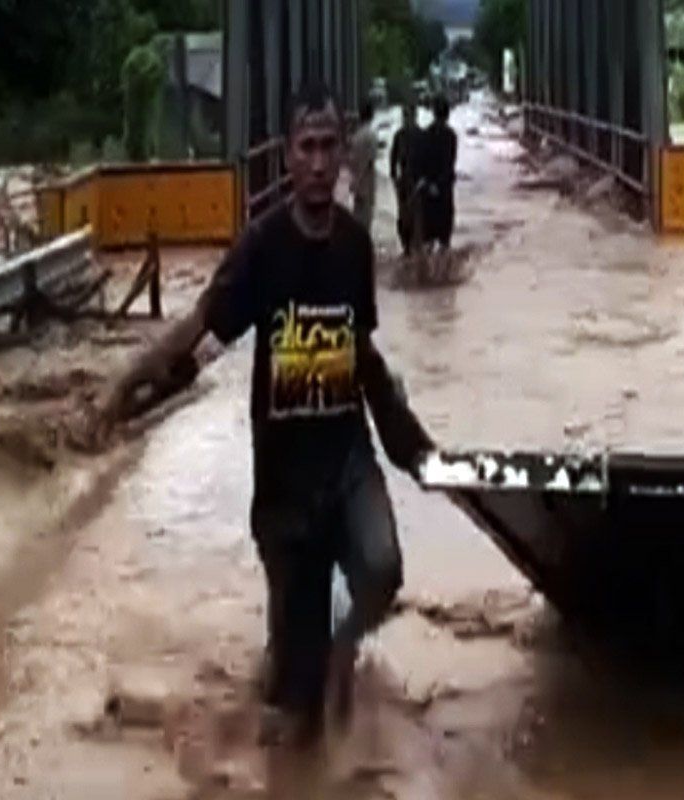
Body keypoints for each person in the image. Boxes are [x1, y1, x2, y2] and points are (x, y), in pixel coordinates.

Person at [92, 82, 434, 746]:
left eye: (328, 146)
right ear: (286, 157)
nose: (316, 161)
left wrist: (410, 443)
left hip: (347, 456)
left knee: (383, 566)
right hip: (284, 485)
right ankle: (302, 665)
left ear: (343, 157)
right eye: (305, 147)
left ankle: (345, 649)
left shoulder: (356, 247)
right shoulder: (262, 248)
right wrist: (121, 391)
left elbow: (360, 352)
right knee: (290, 710)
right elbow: (199, 330)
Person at [419, 95, 458, 250]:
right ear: (447, 114)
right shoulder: (451, 136)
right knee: (445, 240)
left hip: (428, 191)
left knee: (428, 239)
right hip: (445, 190)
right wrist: (440, 184)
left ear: (433, 113)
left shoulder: (425, 134)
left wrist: (428, 183)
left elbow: (421, 163)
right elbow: (450, 163)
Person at [389, 102, 424, 255]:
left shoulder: (421, 135)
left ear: (415, 117)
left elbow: (427, 160)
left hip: (417, 181)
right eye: (405, 116)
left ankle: (415, 246)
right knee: (403, 216)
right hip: (404, 180)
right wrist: (394, 177)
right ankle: (406, 247)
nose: (407, 119)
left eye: (409, 116)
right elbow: (393, 157)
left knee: (417, 216)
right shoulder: (399, 135)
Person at [348, 99, 378, 231]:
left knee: (357, 215)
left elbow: (351, 160)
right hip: (366, 182)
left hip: (356, 180)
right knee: (366, 218)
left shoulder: (356, 136)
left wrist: (355, 180)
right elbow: (370, 162)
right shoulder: (371, 135)